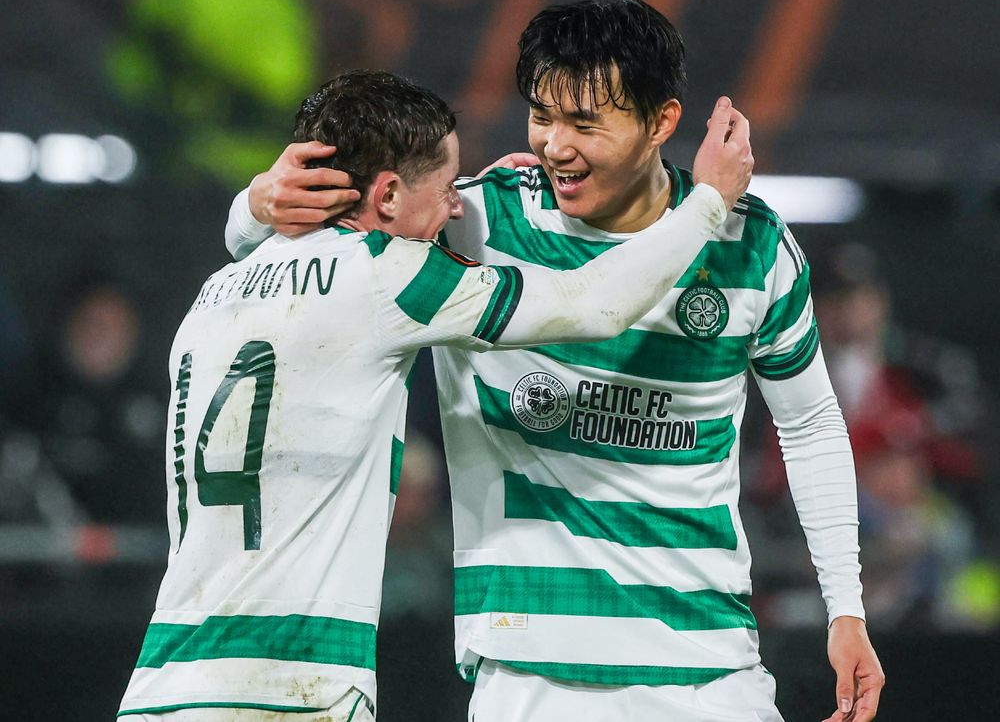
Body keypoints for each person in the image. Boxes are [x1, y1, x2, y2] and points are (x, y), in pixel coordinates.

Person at [226, 0, 884, 722]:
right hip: (528, 672)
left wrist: (845, 608)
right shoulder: (475, 221)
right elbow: (285, 263)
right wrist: (254, 205)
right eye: (542, 115)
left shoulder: (752, 244)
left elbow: (811, 425)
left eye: (585, 123)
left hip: (708, 669)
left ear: (661, 121)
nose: (554, 145)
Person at [120, 68, 753, 720]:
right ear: (389, 195)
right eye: (450, 188)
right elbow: (596, 303)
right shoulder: (386, 273)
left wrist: (251, 205)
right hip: (290, 680)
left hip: (162, 684)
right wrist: (709, 200)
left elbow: (259, 238)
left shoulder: (215, 290)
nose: (457, 207)